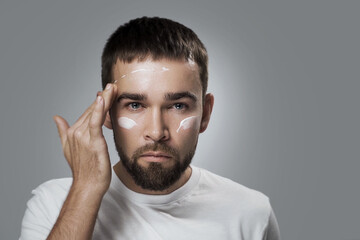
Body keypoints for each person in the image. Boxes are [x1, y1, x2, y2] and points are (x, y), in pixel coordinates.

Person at [19, 16, 280, 240]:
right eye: (135, 105)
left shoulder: (251, 213)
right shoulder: (53, 204)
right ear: (106, 111)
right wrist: (86, 189)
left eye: (178, 106)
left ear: (206, 113)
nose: (156, 132)